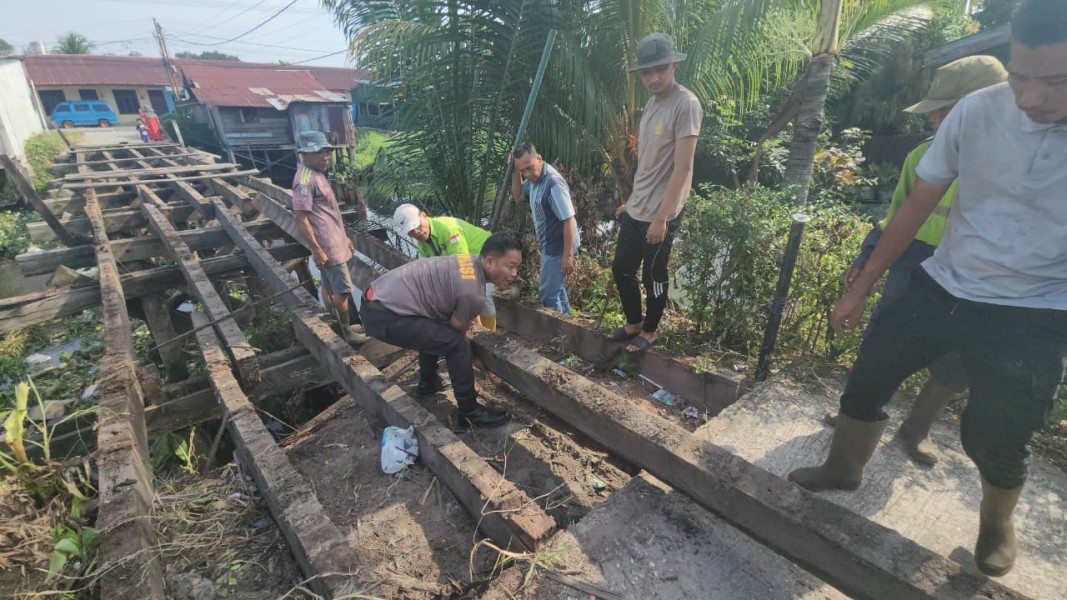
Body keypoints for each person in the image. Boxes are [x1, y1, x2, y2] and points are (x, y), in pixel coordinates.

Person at [789, 0, 1067, 578]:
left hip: (1035, 307)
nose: (1029, 97)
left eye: (1055, 82)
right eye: (1019, 77)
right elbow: (916, 205)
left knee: (997, 433)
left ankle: (996, 523)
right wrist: (860, 288)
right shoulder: (978, 112)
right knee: (869, 375)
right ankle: (843, 469)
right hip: (945, 280)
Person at [842, 56, 1008, 466]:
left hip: (978, 274)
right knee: (882, 339)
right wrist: (866, 259)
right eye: (933, 110)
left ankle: (917, 428)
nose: (933, 118)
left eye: (944, 109)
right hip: (913, 261)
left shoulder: (1017, 162)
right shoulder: (922, 156)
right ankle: (857, 416)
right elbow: (896, 215)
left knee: (957, 358)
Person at [359, 234, 522, 430]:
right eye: (510, 267)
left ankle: (428, 384)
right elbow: (456, 330)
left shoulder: (468, 260)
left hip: (376, 297)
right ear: (489, 261)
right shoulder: (473, 294)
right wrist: (478, 361)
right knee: (457, 345)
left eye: (517, 268)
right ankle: (469, 413)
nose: (514, 273)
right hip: (384, 314)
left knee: (436, 330)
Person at [610, 32, 702, 352]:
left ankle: (649, 331)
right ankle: (633, 323)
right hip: (639, 207)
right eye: (646, 72)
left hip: (662, 211)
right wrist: (632, 202)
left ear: (674, 65)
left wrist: (662, 217)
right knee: (622, 268)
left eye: (660, 69)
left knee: (654, 277)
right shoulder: (651, 103)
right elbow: (649, 161)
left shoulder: (686, 104)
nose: (653, 78)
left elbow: (683, 168)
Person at [291, 130, 368, 345]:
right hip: (327, 245)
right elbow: (301, 217)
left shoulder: (317, 174)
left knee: (328, 285)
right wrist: (316, 249)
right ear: (305, 154)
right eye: (319, 152)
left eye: (327, 151)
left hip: (335, 239)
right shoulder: (305, 180)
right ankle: (346, 332)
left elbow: (329, 211)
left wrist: (344, 237)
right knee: (342, 288)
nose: (325, 156)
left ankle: (339, 325)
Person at [393, 203, 499, 330]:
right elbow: (430, 273)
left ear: (424, 215)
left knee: (482, 297)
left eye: (417, 226)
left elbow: (465, 269)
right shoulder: (422, 244)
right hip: (469, 264)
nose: (417, 232)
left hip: (489, 256)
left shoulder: (448, 229)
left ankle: (489, 334)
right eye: (411, 232)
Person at [509, 143, 578, 315]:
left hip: (559, 246)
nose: (528, 174)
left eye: (530, 168)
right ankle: (567, 325)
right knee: (557, 291)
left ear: (539, 158)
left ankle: (557, 328)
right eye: (523, 171)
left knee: (548, 294)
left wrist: (567, 255)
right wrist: (515, 171)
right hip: (549, 243)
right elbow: (517, 196)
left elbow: (569, 221)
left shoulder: (553, 184)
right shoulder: (534, 180)